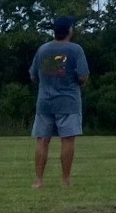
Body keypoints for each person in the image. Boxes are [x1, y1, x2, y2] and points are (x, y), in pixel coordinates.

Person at [29, 16, 89, 189]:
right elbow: (83, 76)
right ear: (69, 30)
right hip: (68, 102)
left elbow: (33, 76)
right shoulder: (75, 50)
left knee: (42, 140)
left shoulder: (43, 49)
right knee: (67, 140)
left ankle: (39, 181)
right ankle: (65, 179)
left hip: (44, 102)